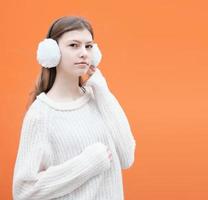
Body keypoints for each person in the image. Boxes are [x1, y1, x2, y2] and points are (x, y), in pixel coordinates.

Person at [12, 16, 136, 200]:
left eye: (88, 46)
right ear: (52, 53)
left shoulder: (100, 99)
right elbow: (24, 191)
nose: (84, 53)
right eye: (74, 45)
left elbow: (127, 157)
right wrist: (87, 164)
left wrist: (102, 90)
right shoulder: (40, 114)